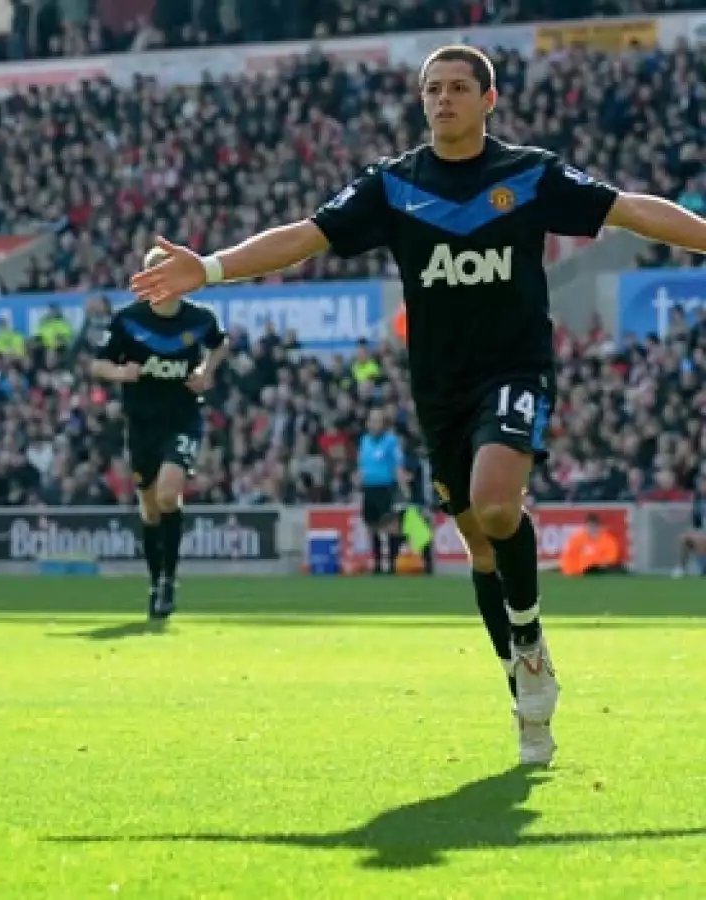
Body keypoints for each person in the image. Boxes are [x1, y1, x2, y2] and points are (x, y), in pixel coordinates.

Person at [132, 44, 706, 765]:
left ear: (488, 100)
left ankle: (529, 642)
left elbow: (631, 210)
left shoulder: (529, 174)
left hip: (514, 370)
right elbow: (304, 239)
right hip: (439, 391)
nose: (442, 100)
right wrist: (210, 267)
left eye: (458, 88)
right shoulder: (393, 185)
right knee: (479, 547)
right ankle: (525, 698)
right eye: (432, 89)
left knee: (497, 505)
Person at [92, 253, 228, 627]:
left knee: (169, 494)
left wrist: (205, 369)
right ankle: (157, 582)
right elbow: (98, 363)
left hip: (182, 419)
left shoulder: (200, 318)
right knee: (150, 509)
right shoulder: (128, 320)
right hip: (141, 425)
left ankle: (170, 580)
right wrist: (122, 372)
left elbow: (220, 343)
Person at [358, 410, 403, 575]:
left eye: (378, 421)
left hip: (385, 488)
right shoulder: (364, 441)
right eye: (373, 421)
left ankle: (391, 564)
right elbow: (362, 464)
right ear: (368, 423)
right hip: (369, 488)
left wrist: (403, 488)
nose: (375, 424)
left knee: (390, 526)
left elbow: (397, 465)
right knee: (372, 526)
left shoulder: (390, 441)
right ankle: (377, 564)